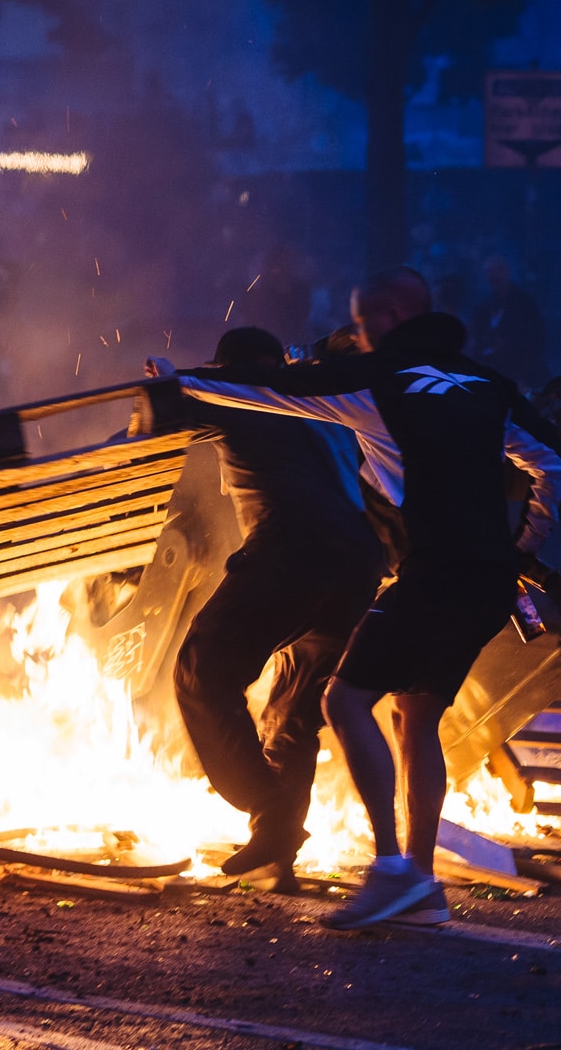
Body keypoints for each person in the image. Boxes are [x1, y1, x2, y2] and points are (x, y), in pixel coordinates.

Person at [147, 266, 561, 930]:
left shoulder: (381, 381)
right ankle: (422, 884)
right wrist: (528, 542)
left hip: (434, 569)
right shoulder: (488, 385)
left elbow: (279, 390)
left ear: (395, 316)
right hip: (488, 575)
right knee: (414, 717)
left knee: (341, 699)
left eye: (366, 323)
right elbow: (553, 460)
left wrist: (181, 382)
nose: (358, 336)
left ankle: (392, 870)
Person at [172, 326, 384, 885]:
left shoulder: (238, 397)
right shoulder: (316, 402)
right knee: (292, 714)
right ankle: (276, 850)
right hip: (357, 562)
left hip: (291, 551)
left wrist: (170, 379)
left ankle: (268, 811)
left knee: (203, 667)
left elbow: (161, 408)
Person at [470, 255, 548, 387]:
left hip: (519, 373)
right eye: (489, 271)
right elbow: (476, 339)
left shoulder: (524, 304)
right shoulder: (483, 307)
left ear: (507, 272)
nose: (493, 276)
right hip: (490, 372)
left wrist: (509, 345)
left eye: (497, 271)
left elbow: (537, 338)